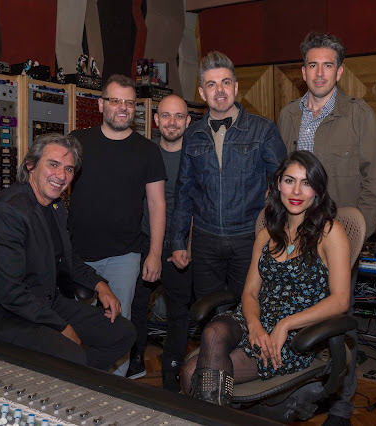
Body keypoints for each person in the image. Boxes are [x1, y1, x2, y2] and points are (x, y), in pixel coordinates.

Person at [277, 32, 376, 425]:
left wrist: (357, 234)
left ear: (339, 71)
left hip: (339, 241)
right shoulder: (288, 116)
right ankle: (297, 390)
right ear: (303, 71)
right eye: (313, 65)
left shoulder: (359, 115)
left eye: (328, 65)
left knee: (340, 323)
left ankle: (341, 404)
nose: (319, 72)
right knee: (295, 313)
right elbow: (281, 177)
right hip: (294, 238)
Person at [181, 151, 351, 408]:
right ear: (278, 184)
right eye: (289, 181)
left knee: (192, 374)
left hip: (295, 336)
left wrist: (284, 325)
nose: (296, 191)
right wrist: (255, 326)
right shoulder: (266, 235)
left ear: (317, 190)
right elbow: (250, 293)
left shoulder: (330, 232)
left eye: (306, 183)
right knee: (213, 331)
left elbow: (340, 301)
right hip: (255, 320)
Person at [0, 133, 136, 371]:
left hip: (43, 301)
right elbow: (11, 292)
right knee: (71, 355)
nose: (61, 176)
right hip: (2, 315)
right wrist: (61, 327)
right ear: (30, 165)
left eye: (69, 169)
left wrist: (100, 285)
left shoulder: (55, 206)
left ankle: (78, 379)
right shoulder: (6, 212)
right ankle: (70, 378)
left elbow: (67, 257)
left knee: (123, 333)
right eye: (53, 165)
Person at [68, 74, 167, 376]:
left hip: (124, 256)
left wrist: (154, 253)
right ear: (101, 105)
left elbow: (157, 204)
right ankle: (73, 383)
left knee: (118, 329)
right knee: (71, 329)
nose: (122, 107)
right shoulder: (78, 141)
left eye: (129, 103)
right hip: (76, 256)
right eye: (115, 101)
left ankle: (115, 390)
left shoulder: (148, 150)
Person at [171, 51, 286, 302]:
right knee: (207, 310)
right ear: (202, 93)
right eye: (211, 84)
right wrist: (178, 241)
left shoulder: (263, 130)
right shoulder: (191, 135)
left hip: (249, 237)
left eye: (225, 82)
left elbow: (284, 185)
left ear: (235, 87)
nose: (219, 90)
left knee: (248, 309)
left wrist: (276, 232)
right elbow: (184, 190)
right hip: (205, 239)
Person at [127, 95, 193, 391]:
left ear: (188, 121)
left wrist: (188, 245)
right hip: (145, 240)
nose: (172, 122)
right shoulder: (145, 153)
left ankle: (171, 368)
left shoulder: (195, 156)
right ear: (156, 120)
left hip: (179, 244)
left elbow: (198, 205)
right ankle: (135, 358)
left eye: (179, 116)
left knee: (179, 310)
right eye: (166, 116)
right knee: (137, 303)